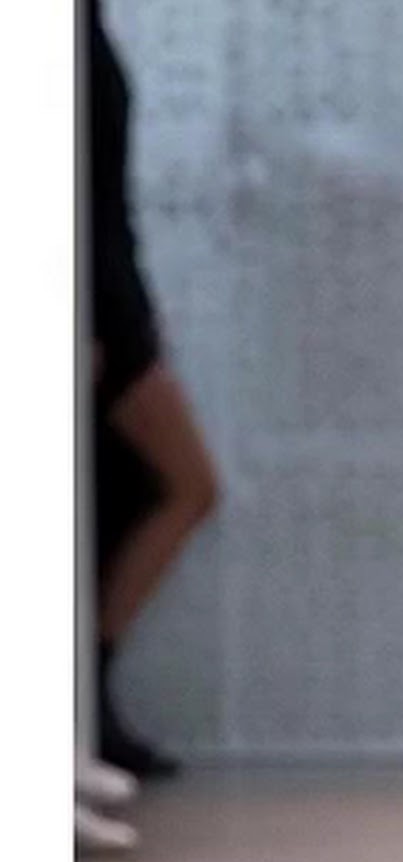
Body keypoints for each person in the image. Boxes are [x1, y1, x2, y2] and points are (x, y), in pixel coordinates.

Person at [86, 0, 222, 786]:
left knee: (147, 492)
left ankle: (86, 697)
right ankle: (84, 697)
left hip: (110, 305)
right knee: (184, 485)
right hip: (100, 309)